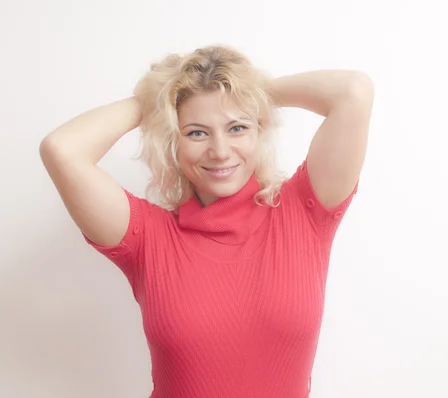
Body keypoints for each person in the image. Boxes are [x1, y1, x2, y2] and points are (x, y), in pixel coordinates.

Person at [39, 44, 374, 398]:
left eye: (237, 128)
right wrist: (159, 98)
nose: (219, 151)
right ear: (174, 142)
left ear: (260, 130)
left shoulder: (305, 212)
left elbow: (354, 92)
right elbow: (62, 149)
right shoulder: (148, 239)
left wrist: (251, 92)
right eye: (196, 132)